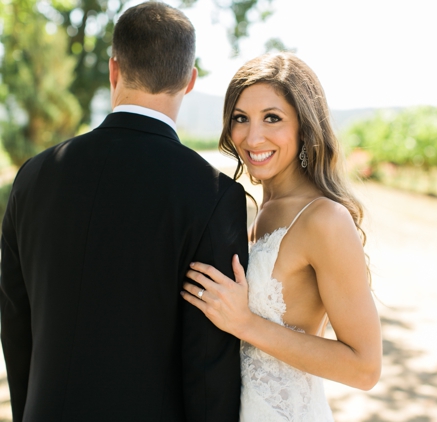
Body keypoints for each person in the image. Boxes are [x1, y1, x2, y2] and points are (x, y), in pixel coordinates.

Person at [0, 2, 248, 421]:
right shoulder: (213, 194)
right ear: (189, 81)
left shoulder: (34, 176)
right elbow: (208, 362)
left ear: (114, 70)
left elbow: (15, 320)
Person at [182, 53, 382, 421]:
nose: (252, 136)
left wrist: (246, 323)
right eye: (241, 118)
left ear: (304, 127)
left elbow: (365, 368)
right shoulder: (263, 207)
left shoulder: (325, 219)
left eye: (272, 118)